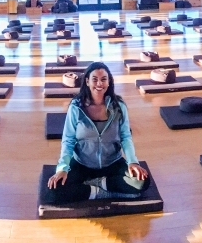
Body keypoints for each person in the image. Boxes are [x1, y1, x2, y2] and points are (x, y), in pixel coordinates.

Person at [48, 62, 150, 202]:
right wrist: (63, 168)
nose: (99, 83)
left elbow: (126, 136)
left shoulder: (118, 106)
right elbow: (68, 140)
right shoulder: (76, 107)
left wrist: (133, 162)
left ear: (109, 82)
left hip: (112, 163)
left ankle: (101, 183)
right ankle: (97, 191)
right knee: (55, 189)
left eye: (103, 79)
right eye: (95, 79)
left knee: (142, 182)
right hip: (82, 164)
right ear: (87, 81)